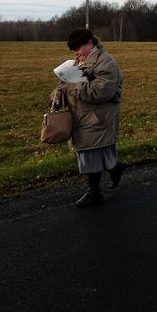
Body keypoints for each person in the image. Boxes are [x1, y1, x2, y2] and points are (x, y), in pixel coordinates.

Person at [59, 28, 125, 208]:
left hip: (99, 117)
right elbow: (68, 84)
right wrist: (58, 94)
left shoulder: (105, 62)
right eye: (73, 51)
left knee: (91, 153)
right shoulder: (82, 61)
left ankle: (94, 192)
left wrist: (71, 88)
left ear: (90, 43)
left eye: (78, 49)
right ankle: (115, 168)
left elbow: (101, 92)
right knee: (94, 151)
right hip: (83, 116)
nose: (76, 54)